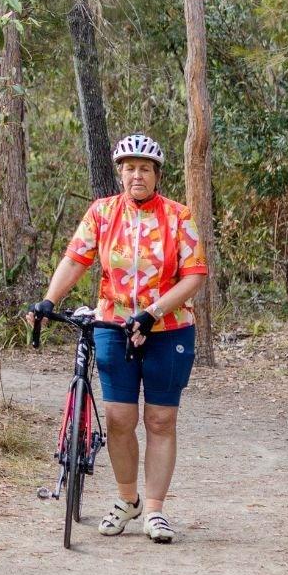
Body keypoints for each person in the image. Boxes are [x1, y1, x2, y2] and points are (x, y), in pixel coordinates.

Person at [29, 134, 210, 544]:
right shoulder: (102, 213)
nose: (136, 175)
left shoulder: (179, 216)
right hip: (113, 326)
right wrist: (48, 299)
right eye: (129, 168)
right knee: (119, 420)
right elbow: (76, 259)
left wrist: (152, 313)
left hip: (168, 328)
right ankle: (128, 500)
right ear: (120, 173)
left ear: (157, 175)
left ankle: (156, 510)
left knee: (160, 420)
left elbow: (195, 274)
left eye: (144, 168)